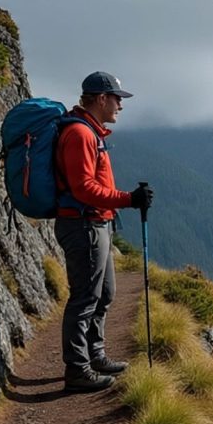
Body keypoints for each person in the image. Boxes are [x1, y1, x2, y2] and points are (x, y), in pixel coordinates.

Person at [54, 71, 152, 391]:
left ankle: (94, 354)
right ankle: (77, 369)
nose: (119, 107)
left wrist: (122, 202)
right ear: (100, 99)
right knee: (85, 298)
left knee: (105, 293)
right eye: (116, 100)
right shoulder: (81, 135)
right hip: (83, 225)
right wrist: (128, 199)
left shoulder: (92, 133)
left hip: (96, 224)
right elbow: (83, 189)